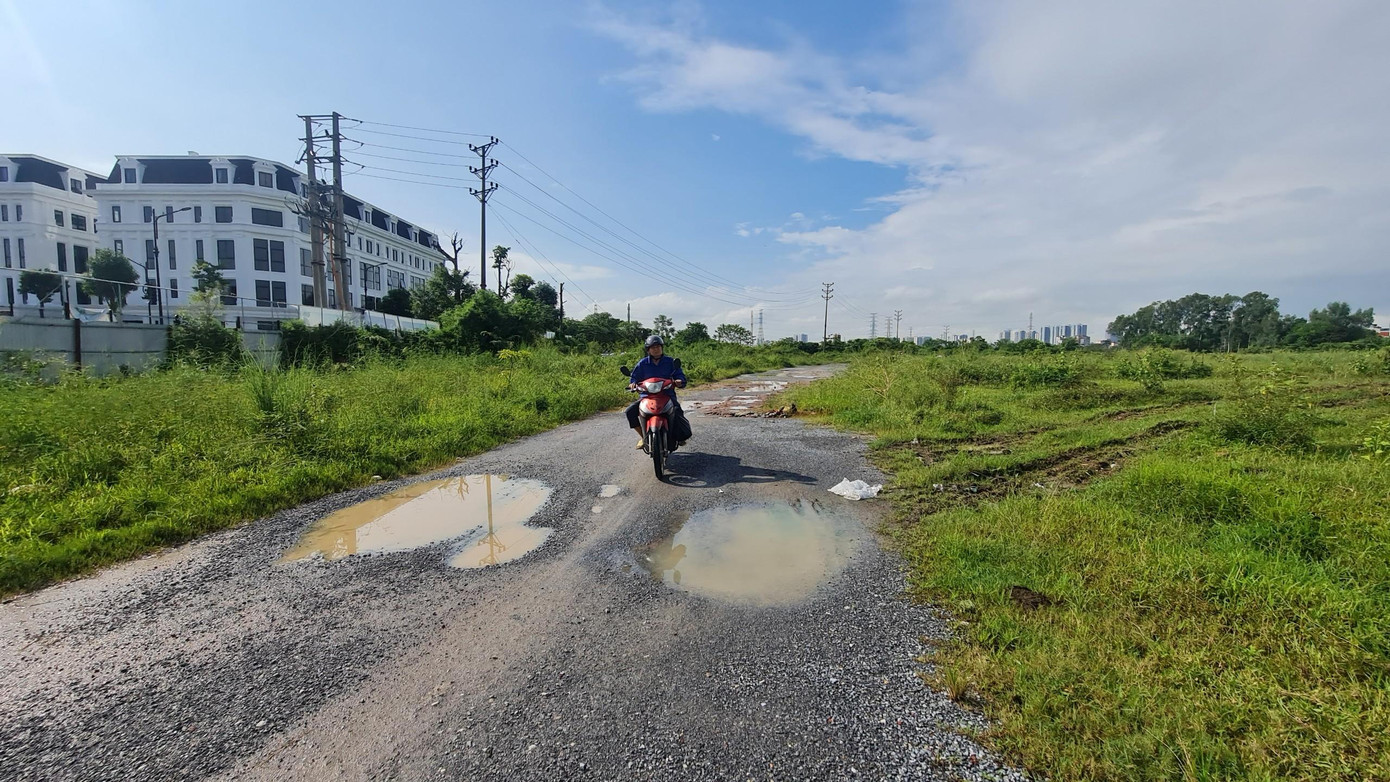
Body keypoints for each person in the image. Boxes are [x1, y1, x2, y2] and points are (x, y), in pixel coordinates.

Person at [626, 335, 692, 449]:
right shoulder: (642, 363)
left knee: (677, 411)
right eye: (653, 347)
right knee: (630, 412)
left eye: (658, 346)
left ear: (662, 348)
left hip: (667, 395)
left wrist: (679, 381)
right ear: (648, 350)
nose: (656, 349)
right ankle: (643, 437)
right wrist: (633, 384)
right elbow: (634, 378)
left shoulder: (670, 362)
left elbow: (680, 375)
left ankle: (679, 436)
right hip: (647, 397)